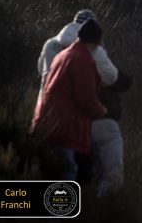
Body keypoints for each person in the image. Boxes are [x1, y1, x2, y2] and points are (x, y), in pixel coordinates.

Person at [31, 19, 108, 180]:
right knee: (68, 171)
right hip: (64, 127)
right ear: (96, 42)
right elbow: (85, 98)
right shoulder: (82, 59)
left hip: (46, 123)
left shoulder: (63, 55)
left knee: (46, 173)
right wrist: (101, 110)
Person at [93, 68, 133, 197]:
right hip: (103, 122)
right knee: (112, 179)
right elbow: (124, 82)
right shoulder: (96, 57)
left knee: (89, 174)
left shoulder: (62, 58)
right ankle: (102, 211)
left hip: (77, 124)